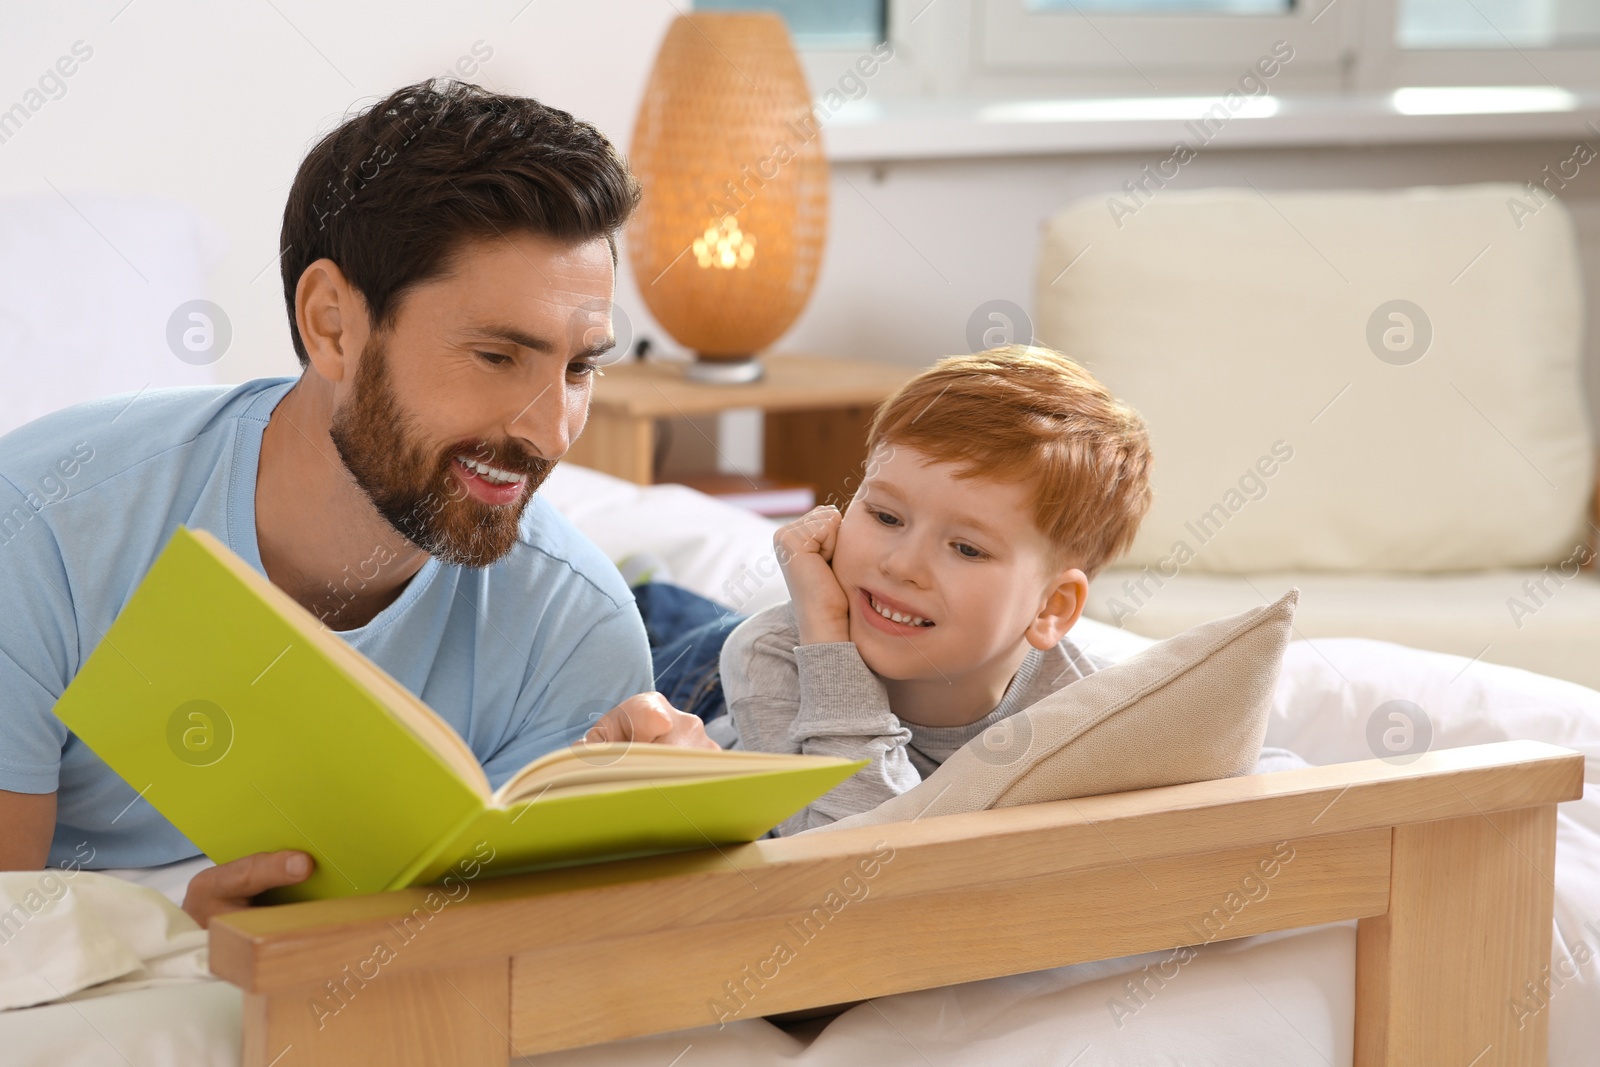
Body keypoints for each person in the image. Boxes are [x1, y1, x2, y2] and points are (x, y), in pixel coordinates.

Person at [0, 80, 713, 927]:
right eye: (495, 356)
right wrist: (174, 937)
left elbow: (508, 956)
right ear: (331, 324)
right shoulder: (41, 525)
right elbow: (15, 941)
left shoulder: (578, 630)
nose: (552, 432)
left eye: (581, 368)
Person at [718, 345, 1155, 834]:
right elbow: (851, 856)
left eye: (967, 549)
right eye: (885, 516)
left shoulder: (1077, 716)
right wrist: (824, 633)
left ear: (1051, 607)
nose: (902, 564)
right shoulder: (770, 655)